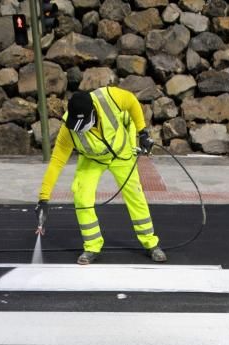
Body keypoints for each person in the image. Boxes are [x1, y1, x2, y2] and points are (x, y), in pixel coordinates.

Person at [35, 86, 167, 265]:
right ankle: (92, 246)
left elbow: (132, 102)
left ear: (93, 113)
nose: (80, 130)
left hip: (121, 154)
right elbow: (56, 162)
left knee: (135, 195)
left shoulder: (109, 97)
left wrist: (142, 132)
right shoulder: (68, 129)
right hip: (92, 159)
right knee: (81, 197)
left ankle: (151, 243)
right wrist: (43, 199)